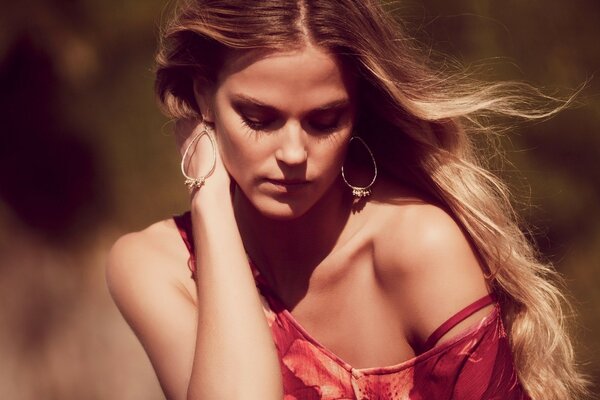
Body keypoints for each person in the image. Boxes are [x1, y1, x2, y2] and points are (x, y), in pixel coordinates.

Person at [106, 1, 587, 399]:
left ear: (357, 113)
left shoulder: (418, 248)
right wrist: (208, 197)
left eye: (324, 121)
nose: (294, 154)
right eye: (259, 118)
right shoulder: (155, 265)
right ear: (204, 98)